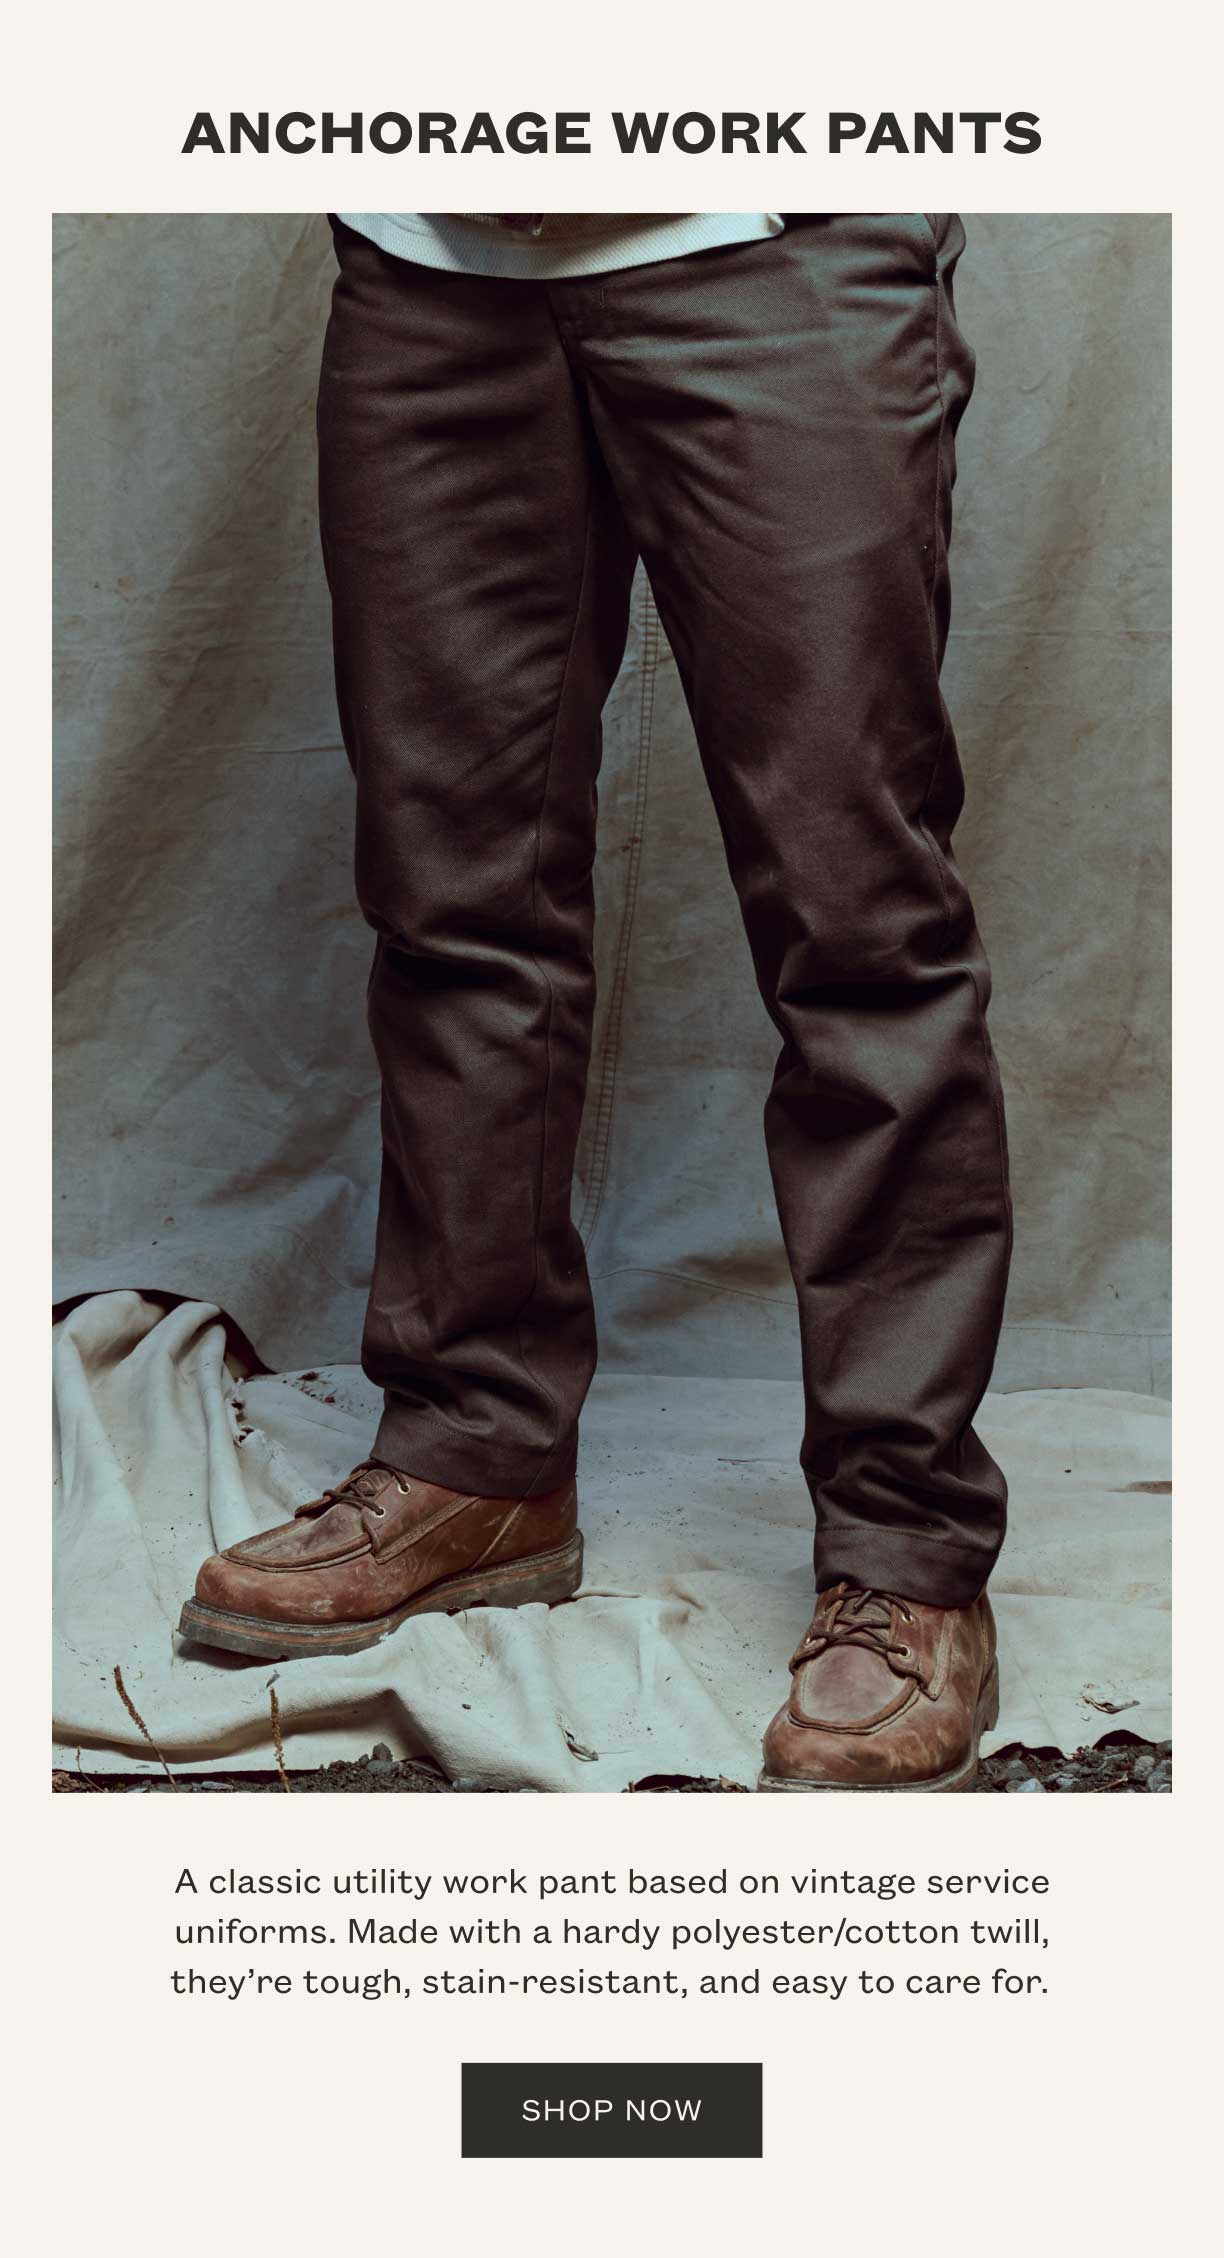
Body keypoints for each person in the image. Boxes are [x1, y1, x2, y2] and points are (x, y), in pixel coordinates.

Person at [180, 210, 1013, 1792]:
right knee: (454, 904)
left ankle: (907, 1553)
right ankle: (474, 1450)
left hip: (773, 237)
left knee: (860, 926)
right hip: (431, 260)